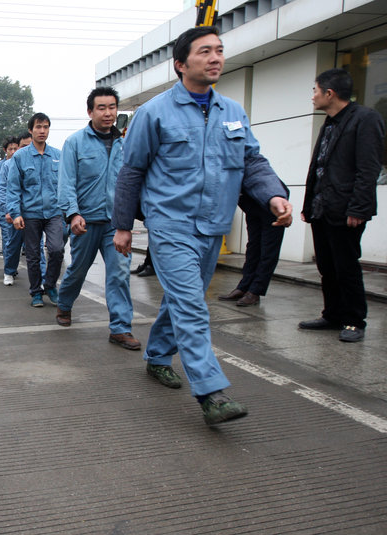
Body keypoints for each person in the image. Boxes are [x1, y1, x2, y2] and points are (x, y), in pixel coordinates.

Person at [112, 26, 292, 425]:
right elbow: (131, 172)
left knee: (180, 300)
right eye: (205, 51)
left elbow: (252, 163)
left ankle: (158, 356)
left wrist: (273, 194)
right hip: (170, 225)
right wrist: (123, 226)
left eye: (219, 51)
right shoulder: (154, 113)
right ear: (181, 64)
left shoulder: (233, 112)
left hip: (213, 227)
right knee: (193, 307)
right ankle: (211, 392)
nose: (215, 58)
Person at [299, 68, 385, 342]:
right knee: (327, 266)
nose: (312, 96)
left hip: (346, 209)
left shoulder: (365, 119)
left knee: (346, 265)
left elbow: (368, 168)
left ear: (329, 93)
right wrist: (308, 204)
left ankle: (353, 320)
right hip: (322, 207)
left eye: (315, 90)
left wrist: (358, 208)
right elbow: (319, 166)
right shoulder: (330, 122)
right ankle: (333, 314)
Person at [57, 87, 140, 350]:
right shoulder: (75, 143)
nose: (108, 113)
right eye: (101, 108)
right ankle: (64, 304)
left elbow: (132, 182)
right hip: (85, 222)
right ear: (90, 111)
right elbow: (66, 182)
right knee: (78, 270)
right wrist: (72, 214)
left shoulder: (125, 144)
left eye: (112, 107)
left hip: (116, 224)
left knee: (119, 273)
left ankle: (120, 328)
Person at [6, 113, 64, 308]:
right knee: (33, 255)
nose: (42, 131)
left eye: (46, 127)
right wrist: (15, 214)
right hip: (30, 214)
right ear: (31, 130)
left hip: (54, 213)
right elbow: (13, 188)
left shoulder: (58, 155)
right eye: (38, 127)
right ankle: (36, 292)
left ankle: (49, 285)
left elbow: (66, 185)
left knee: (57, 249)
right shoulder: (20, 157)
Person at [218, 189, 288, 307]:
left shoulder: (250, 175)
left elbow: (278, 188)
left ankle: (255, 291)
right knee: (252, 248)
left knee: (268, 251)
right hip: (252, 207)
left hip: (272, 208)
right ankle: (244, 287)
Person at [0, 132, 31, 285]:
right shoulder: (7, 166)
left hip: (33, 212)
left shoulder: (39, 161)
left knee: (35, 246)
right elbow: (2, 190)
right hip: (15, 211)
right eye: (22, 147)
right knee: (13, 244)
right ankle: (9, 271)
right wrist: (8, 210)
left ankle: (40, 277)